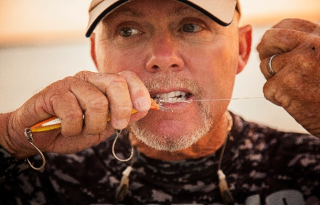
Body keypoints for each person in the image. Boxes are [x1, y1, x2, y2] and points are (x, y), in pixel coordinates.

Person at [0, 0, 319, 204]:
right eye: (128, 30)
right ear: (97, 57)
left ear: (242, 48)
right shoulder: (35, 168)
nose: (162, 58)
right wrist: (9, 137)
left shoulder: (310, 164)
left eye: (191, 26)